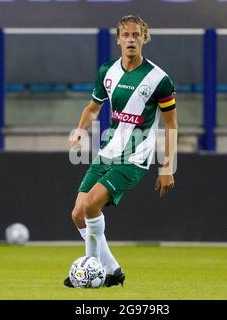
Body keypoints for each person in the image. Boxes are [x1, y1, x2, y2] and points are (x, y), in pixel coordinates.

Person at [65, 15, 178, 288]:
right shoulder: (107, 72)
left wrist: (166, 167)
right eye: (126, 35)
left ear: (144, 38)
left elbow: (171, 124)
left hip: (134, 158)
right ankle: (113, 270)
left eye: (136, 35)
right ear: (118, 39)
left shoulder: (158, 79)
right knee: (78, 214)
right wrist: (80, 130)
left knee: (92, 205)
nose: (131, 39)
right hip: (107, 152)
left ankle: (90, 273)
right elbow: (93, 108)